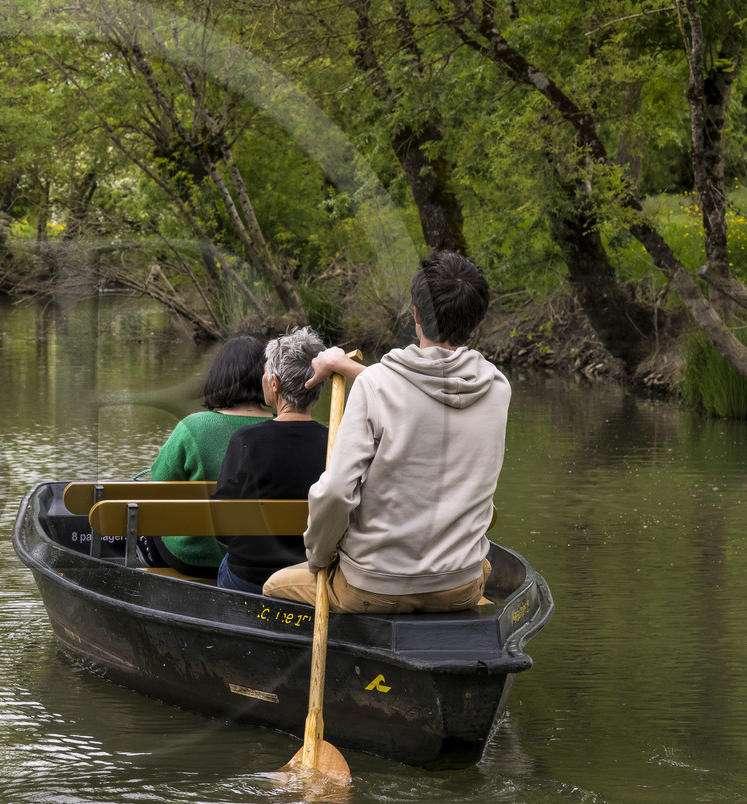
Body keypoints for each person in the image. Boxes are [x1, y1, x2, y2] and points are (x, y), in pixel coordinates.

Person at [263, 252, 509, 614]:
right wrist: (343, 365)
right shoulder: (498, 388)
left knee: (272, 588)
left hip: (373, 588)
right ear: (477, 319)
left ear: (415, 315)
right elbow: (416, 396)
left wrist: (317, 553)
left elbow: (334, 493)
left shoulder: (376, 387)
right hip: (460, 586)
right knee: (481, 568)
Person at [138, 336, 271, 577]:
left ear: (218, 377)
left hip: (194, 557)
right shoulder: (281, 427)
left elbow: (158, 486)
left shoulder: (194, 427)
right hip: (259, 561)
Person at [213, 327, 330, 594]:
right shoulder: (335, 442)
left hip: (250, 579)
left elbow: (222, 529)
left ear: (275, 383)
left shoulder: (246, 440)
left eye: (266, 374)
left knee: (225, 564)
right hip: (309, 577)